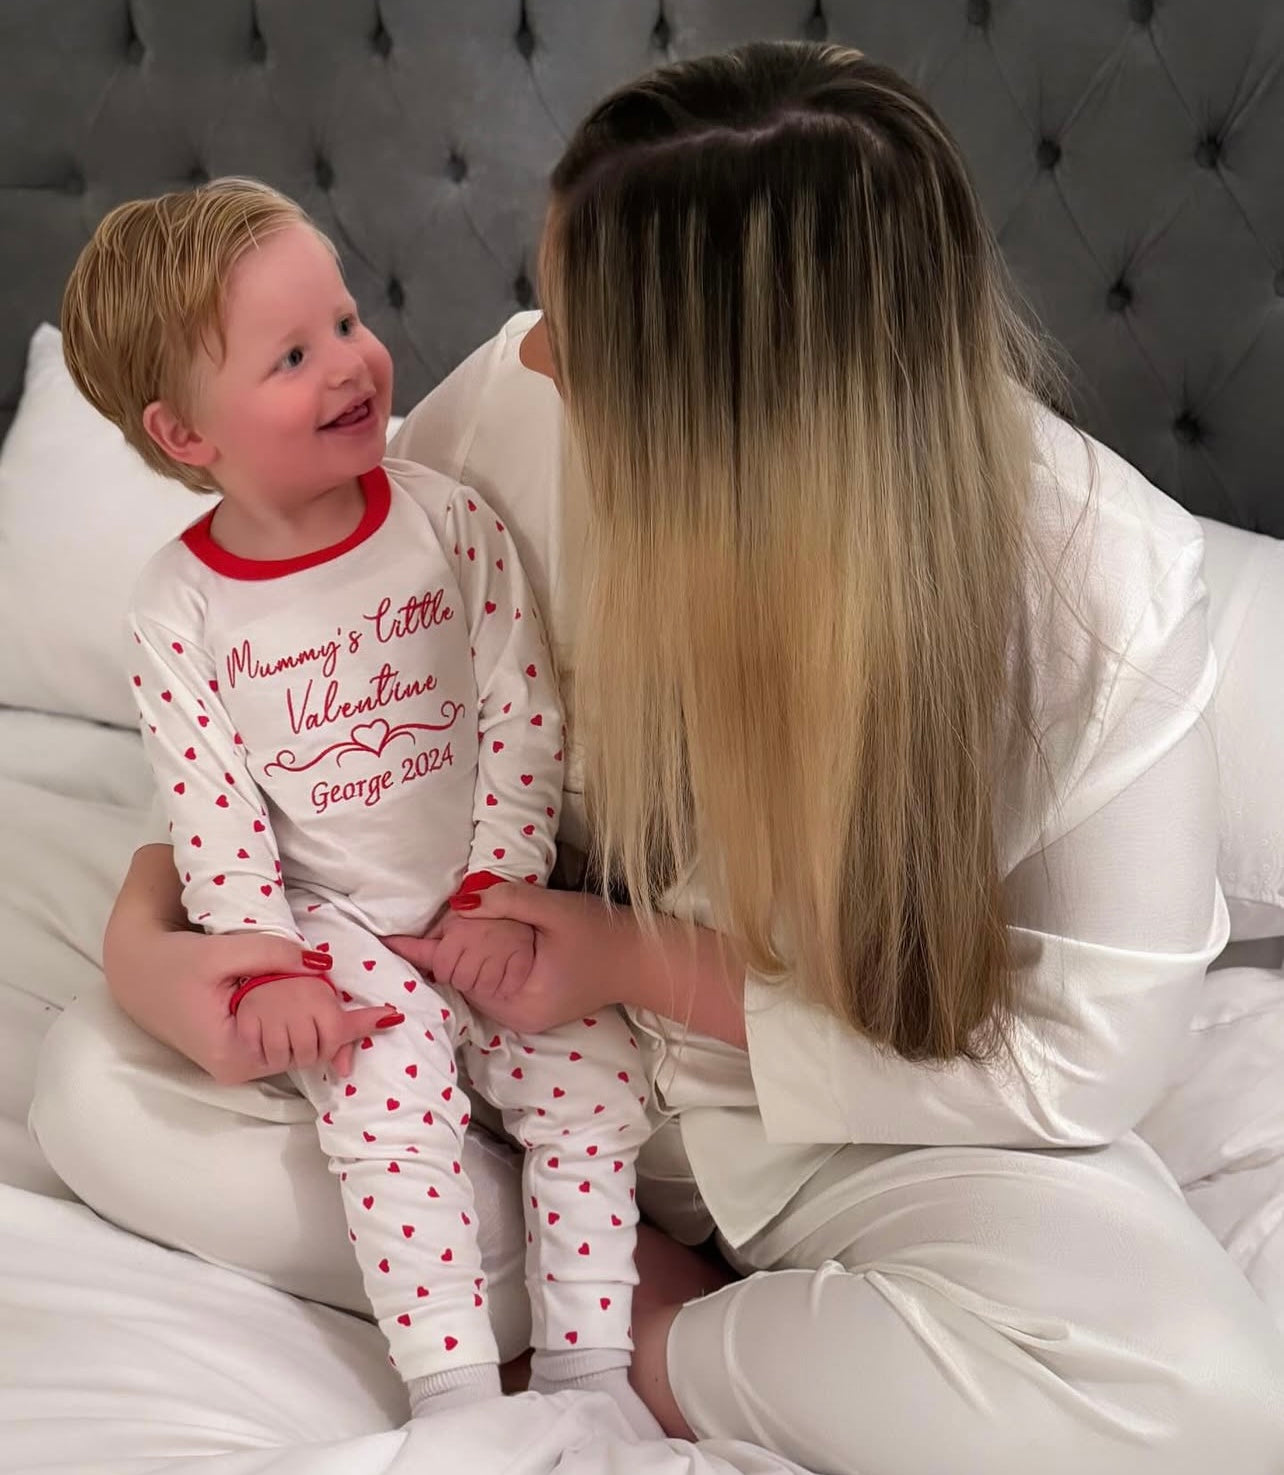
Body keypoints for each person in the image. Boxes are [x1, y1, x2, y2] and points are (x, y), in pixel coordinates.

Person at [34, 41, 1284, 1475]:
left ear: (723, 419)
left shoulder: (1104, 597)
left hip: (854, 1117)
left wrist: (636, 959)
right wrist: (153, 950)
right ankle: (583, 1266)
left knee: (1206, 1405)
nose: (530, 347)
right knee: (94, 1095)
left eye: (572, 321)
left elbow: (1079, 1061)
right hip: (502, 1040)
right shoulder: (510, 404)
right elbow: (304, 739)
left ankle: (637, 1324)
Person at [55, 178, 657, 1432]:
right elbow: (211, 804)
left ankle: (589, 1369)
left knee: (591, 1078)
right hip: (331, 917)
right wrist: (265, 962)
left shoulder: (446, 521)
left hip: (487, 886)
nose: (349, 365)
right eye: (290, 355)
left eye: (345, 320)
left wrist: (500, 888)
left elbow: (522, 713)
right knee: (387, 1114)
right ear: (184, 434)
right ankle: (449, 1388)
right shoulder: (182, 607)